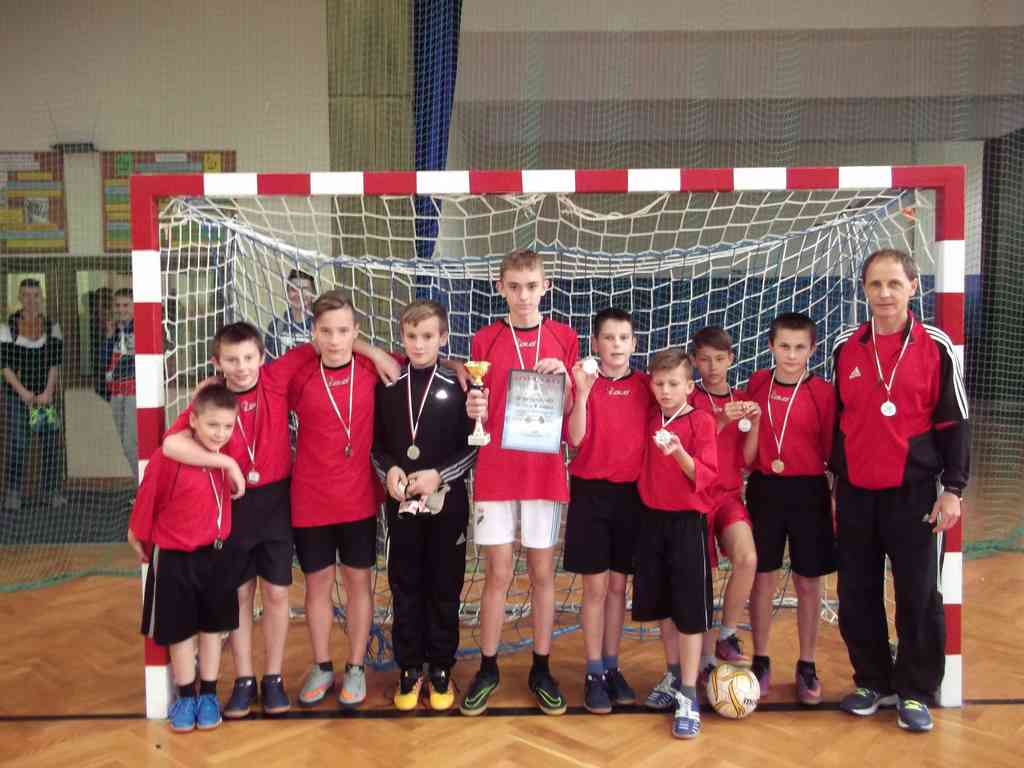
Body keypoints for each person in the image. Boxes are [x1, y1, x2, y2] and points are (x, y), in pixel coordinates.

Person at [161, 317, 397, 717]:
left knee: (275, 593)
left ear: (262, 356)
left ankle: (272, 678)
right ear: (217, 363)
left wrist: (373, 351)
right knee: (240, 595)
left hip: (276, 504)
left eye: (248, 358)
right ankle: (244, 679)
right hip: (232, 505)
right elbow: (170, 444)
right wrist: (225, 464)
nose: (241, 367)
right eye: (231, 360)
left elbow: (330, 340)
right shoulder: (214, 400)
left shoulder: (277, 375)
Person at [833, 248, 968, 733]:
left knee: (917, 593)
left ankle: (915, 689)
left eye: (894, 283)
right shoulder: (846, 347)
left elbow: (955, 422)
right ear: (865, 291)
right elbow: (839, 421)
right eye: (875, 284)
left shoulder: (936, 346)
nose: (885, 293)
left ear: (914, 286)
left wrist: (953, 488)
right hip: (855, 494)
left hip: (914, 494)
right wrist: (833, 480)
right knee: (856, 591)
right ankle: (872, 680)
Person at [461, 248, 579, 716]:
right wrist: (474, 407)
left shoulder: (564, 338)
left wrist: (565, 379)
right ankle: (488, 667)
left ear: (546, 286)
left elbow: (569, 412)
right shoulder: (485, 338)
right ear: (500, 288)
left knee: (543, 575)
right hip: (496, 471)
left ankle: (541, 668)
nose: (523, 295)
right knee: (498, 573)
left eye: (531, 286)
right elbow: (478, 403)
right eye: (514, 286)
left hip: (544, 474)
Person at [371, 300, 477, 711]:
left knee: (445, 585)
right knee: (405, 583)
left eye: (428, 336)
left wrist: (440, 475)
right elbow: (376, 446)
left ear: (443, 338)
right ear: (401, 336)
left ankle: (441, 667)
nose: (419, 344)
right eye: (412, 336)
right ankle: (410, 667)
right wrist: (390, 470)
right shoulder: (388, 383)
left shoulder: (461, 384)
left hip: (447, 503)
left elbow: (474, 447)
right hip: (401, 504)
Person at [289, 290, 387, 709]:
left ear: (356, 331)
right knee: (317, 584)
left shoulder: (371, 368)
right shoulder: (299, 374)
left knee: (358, 582)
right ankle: (322, 664)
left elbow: (411, 366)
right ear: (313, 332)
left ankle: (356, 667)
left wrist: (367, 349)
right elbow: (254, 382)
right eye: (326, 331)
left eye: (343, 331)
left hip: (359, 498)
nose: (334, 339)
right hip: (309, 498)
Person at [127, 383, 240, 733]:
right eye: (212, 425)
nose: (220, 433)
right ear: (192, 420)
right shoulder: (170, 456)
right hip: (175, 557)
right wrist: (137, 531)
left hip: (216, 554)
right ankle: (186, 695)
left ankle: (208, 694)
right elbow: (148, 495)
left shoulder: (228, 450)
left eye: (227, 426)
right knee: (179, 632)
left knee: (212, 629)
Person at [742, 312, 836, 706]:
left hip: (809, 492)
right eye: (784, 346)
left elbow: (831, 451)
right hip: (765, 489)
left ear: (813, 349)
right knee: (762, 578)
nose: (792, 355)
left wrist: (834, 498)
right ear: (771, 346)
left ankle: (807, 663)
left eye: (800, 347)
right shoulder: (757, 384)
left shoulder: (823, 393)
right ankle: (761, 659)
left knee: (808, 583)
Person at [565, 307, 649, 713]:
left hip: (631, 497)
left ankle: (612, 666)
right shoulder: (584, 382)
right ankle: (593, 671)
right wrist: (582, 393)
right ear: (595, 344)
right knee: (595, 589)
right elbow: (575, 439)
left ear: (634, 343)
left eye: (624, 338)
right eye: (609, 338)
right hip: (590, 495)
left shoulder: (647, 386)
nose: (616, 345)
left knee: (618, 587)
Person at [633, 348, 717, 739]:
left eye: (673, 383)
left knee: (689, 611)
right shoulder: (651, 418)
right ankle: (671, 675)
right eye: (659, 383)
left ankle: (688, 693)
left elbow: (705, 475)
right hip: (652, 521)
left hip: (687, 524)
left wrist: (679, 452)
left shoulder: (700, 421)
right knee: (664, 606)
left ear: (689, 386)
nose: (665, 390)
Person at [689, 328, 759, 680]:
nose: (713, 366)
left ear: (731, 359)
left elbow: (748, 460)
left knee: (747, 558)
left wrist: (755, 422)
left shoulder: (742, 399)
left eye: (719, 359)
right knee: (704, 577)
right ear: (693, 361)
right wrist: (719, 420)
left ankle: (727, 634)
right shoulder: (689, 398)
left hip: (729, 496)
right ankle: (703, 661)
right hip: (696, 499)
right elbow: (691, 449)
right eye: (704, 359)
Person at [1, 278, 65, 510]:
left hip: (44, 397)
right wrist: (23, 393)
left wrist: (48, 392)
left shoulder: (52, 327)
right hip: (16, 396)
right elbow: (5, 367)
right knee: (18, 443)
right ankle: (13, 494)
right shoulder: (7, 327)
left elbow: (54, 364)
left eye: (35, 295)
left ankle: (50, 492)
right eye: (26, 295)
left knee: (50, 442)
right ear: (19, 298)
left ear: (42, 298)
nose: (31, 300)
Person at [100, 288, 138, 482]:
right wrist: (109, 335)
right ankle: (140, 485)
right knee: (123, 444)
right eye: (117, 305)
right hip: (116, 392)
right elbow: (104, 362)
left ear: (135, 306)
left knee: (132, 444)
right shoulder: (114, 330)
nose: (121, 309)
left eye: (126, 305)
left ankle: (143, 487)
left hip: (134, 391)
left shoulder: (140, 328)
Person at [264, 269, 316, 359]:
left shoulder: (321, 325)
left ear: (313, 294)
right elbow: (269, 362)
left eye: (305, 289)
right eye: (294, 289)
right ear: (287, 293)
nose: (299, 294)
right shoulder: (276, 326)